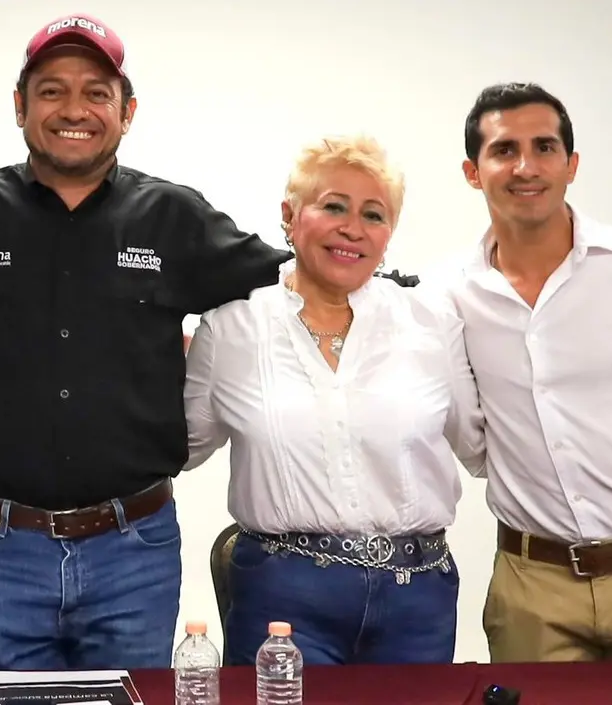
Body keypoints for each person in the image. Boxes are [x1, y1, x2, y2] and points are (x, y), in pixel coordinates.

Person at [0, 12, 298, 671]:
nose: (74, 109)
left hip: (134, 550)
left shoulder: (175, 219)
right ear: (19, 106)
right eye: (51, 90)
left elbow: (296, 280)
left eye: (96, 92)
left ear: (127, 111)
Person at [183, 134, 485, 666]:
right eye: (334, 207)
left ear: (389, 234)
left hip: (417, 596)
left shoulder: (432, 324)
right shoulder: (232, 329)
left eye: (374, 214)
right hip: (284, 596)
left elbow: (479, 445)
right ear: (290, 215)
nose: (353, 228)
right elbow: (178, 447)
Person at [448, 82, 612, 662]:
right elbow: (470, 436)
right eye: (504, 150)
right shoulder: (450, 295)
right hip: (532, 589)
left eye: (544, 147)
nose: (526, 166)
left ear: (572, 165)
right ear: (472, 171)